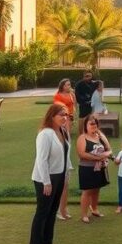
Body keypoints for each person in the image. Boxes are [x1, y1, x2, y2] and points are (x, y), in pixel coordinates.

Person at [29, 103, 72, 244]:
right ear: (52, 116)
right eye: (61, 114)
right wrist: (46, 182)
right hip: (44, 179)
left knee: (53, 211)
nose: (64, 117)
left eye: (66, 115)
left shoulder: (63, 131)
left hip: (59, 176)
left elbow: (65, 155)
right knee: (42, 212)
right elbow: (41, 160)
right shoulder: (45, 134)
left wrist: (66, 174)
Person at [76, 114, 112, 223]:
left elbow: (109, 149)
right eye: (91, 123)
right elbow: (82, 154)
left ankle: (94, 209)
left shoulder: (99, 136)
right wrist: (99, 157)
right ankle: (84, 214)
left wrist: (102, 137)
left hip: (100, 168)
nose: (93, 125)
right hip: (87, 169)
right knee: (87, 191)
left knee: (96, 189)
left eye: (95, 123)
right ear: (85, 125)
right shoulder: (82, 138)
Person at [53, 81, 77, 220]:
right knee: (59, 187)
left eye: (66, 116)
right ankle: (57, 210)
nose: (65, 118)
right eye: (63, 116)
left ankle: (63, 209)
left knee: (66, 186)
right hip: (57, 167)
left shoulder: (66, 132)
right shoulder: (52, 132)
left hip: (65, 165)